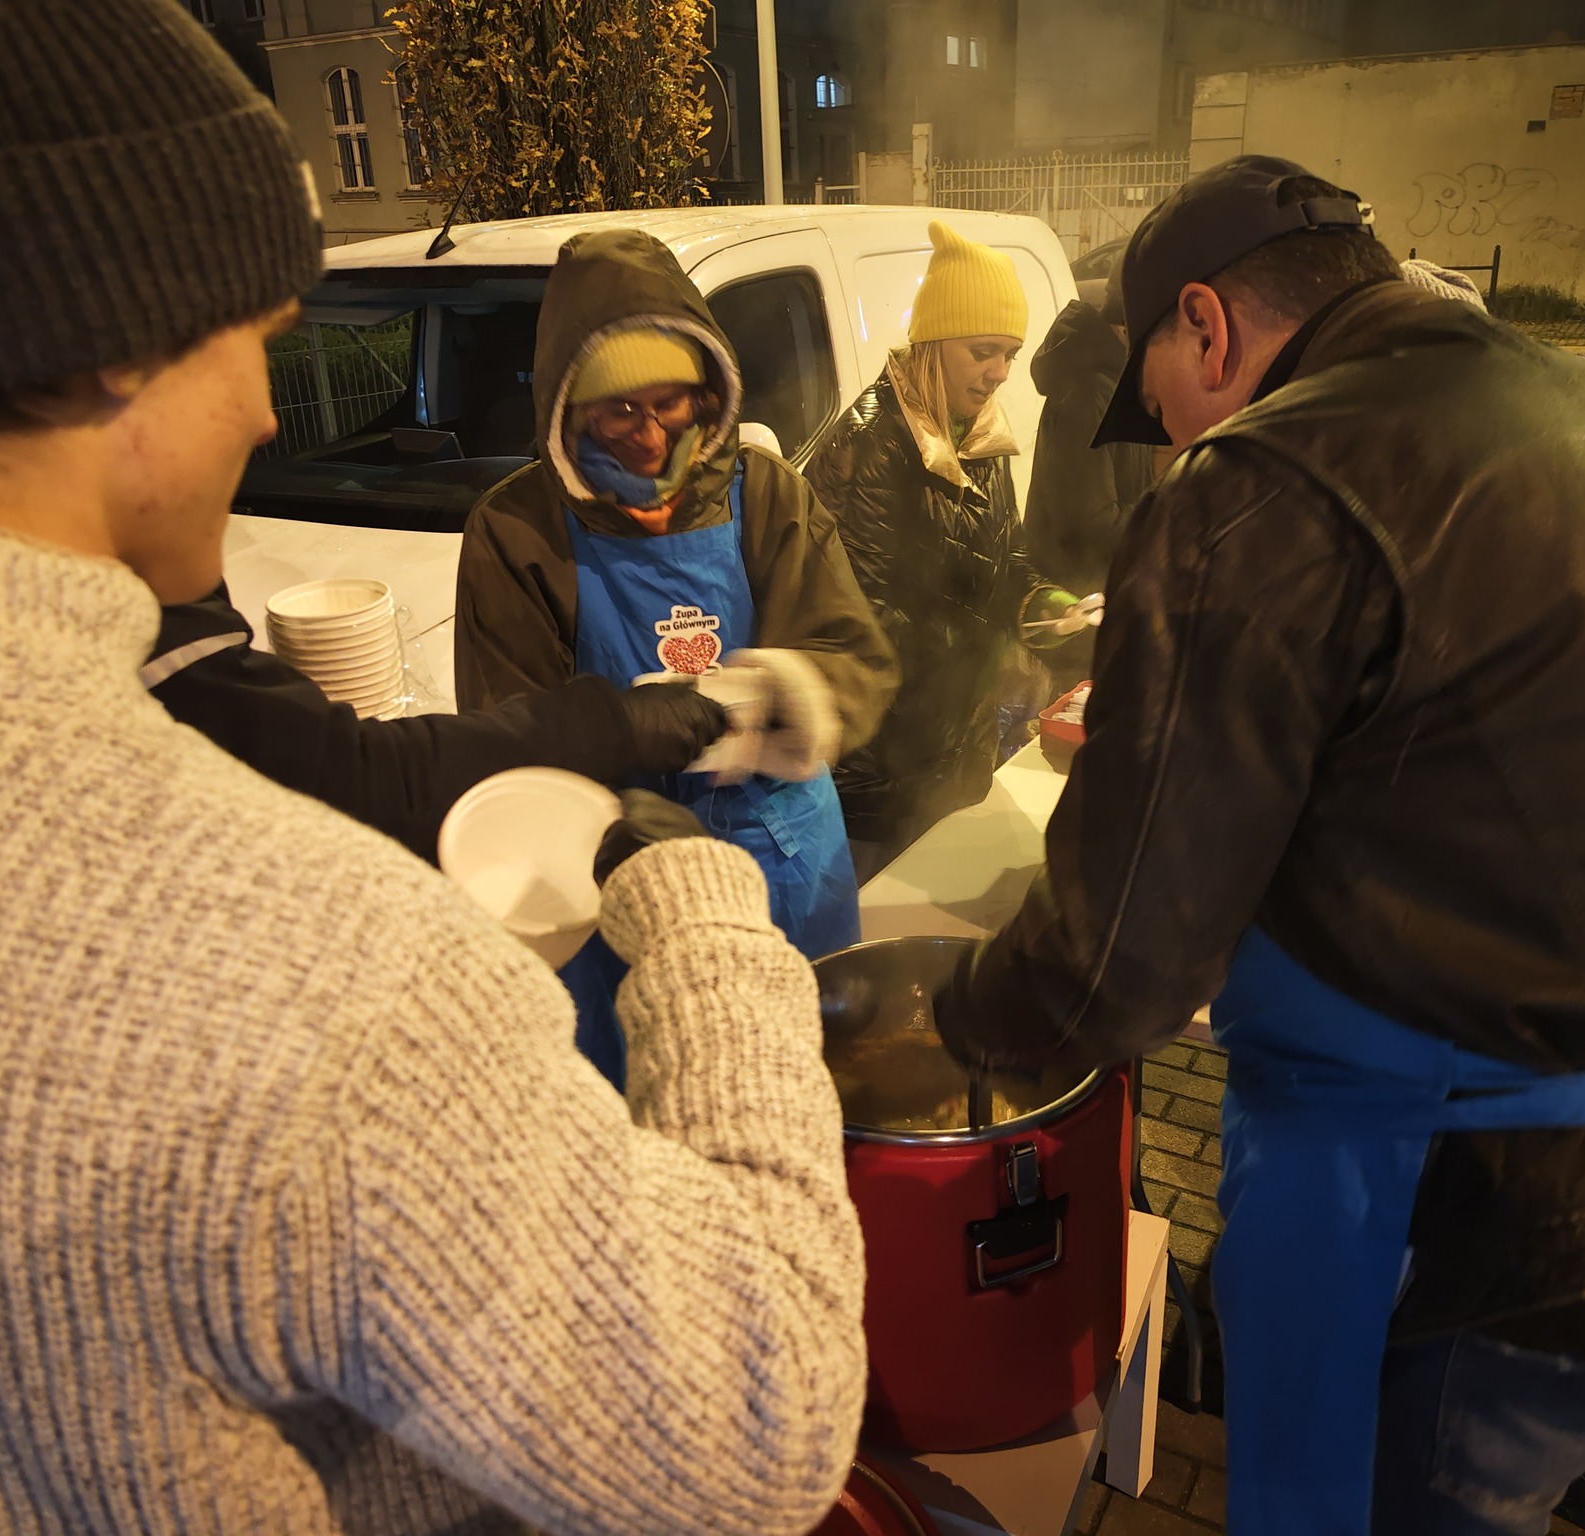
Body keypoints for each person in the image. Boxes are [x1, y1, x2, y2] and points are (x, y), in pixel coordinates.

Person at [0, 7, 865, 1534]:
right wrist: (705, 915)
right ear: (113, 334)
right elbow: (754, 1418)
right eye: (254, 339)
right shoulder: (315, 973)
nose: (267, 405)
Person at [929, 156, 1585, 1536]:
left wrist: (963, 1020)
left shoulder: (1256, 482)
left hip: (1545, 1219)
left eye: (1157, 402)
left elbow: (1117, 960)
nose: (1166, 443)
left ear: (1207, 326)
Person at [454, 229, 897, 1080]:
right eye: (620, 412)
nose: (652, 436)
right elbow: (508, 738)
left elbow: (855, 657)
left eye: (671, 402)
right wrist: (618, 764)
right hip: (616, 870)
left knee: (798, 1085)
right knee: (654, 1092)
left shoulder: (767, 495)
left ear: (707, 390)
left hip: (781, 859)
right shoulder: (517, 532)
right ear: (570, 410)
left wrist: (774, 695)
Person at [805, 220, 1090, 870]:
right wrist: (986, 643)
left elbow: (1008, 563)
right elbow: (859, 618)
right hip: (879, 778)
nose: (1000, 373)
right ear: (933, 341)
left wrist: (1053, 610)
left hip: (955, 755)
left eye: (1010, 354)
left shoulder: (977, 435)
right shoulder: (870, 445)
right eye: (983, 351)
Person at [146, 583, 730, 862]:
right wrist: (609, 727)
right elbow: (356, 779)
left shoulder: (164, 616)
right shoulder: (154, 651)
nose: (265, 422)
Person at [1024, 272, 1156, 598]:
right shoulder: (1090, 389)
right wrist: (1167, 519)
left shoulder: (1116, 381)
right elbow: (1090, 526)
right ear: (1129, 329)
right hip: (1075, 599)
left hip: (1099, 589)